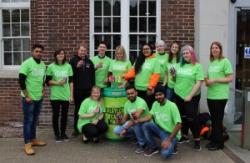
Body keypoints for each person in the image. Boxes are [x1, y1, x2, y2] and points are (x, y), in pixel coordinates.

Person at [173, 45, 204, 150]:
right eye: (184, 53)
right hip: (179, 94)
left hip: (192, 96)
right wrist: (173, 76)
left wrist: (190, 96)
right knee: (182, 117)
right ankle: (185, 136)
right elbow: (174, 80)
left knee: (191, 117)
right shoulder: (177, 66)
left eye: (188, 53)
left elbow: (199, 82)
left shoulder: (197, 66)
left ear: (192, 54)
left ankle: (197, 139)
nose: (186, 54)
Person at [139, 85, 182, 158]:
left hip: (170, 134)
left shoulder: (172, 106)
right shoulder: (155, 104)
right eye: (156, 95)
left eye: (160, 94)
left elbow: (179, 124)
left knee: (165, 154)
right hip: (160, 130)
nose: (158, 97)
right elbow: (149, 116)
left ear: (164, 94)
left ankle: (173, 144)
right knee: (145, 125)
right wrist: (138, 120)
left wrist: (169, 140)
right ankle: (153, 147)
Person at [19, 44, 46, 155]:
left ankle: (33, 139)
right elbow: (21, 80)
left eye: (40, 51)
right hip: (28, 98)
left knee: (34, 120)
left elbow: (43, 80)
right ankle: (27, 144)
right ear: (32, 52)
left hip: (38, 97)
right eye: (36, 51)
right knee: (28, 120)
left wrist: (43, 90)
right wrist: (26, 96)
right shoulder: (26, 63)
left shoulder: (43, 65)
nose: (39, 53)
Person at [205, 41, 233, 150]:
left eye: (216, 48)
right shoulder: (211, 62)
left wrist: (215, 80)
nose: (214, 50)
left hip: (220, 96)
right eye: (212, 48)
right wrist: (207, 81)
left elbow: (230, 78)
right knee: (214, 120)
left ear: (220, 49)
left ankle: (219, 143)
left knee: (218, 120)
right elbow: (208, 78)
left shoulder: (225, 61)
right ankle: (214, 140)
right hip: (211, 95)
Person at [46, 49, 73, 142]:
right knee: (56, 115)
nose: (61, 55)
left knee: (64, 115)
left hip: (66, 95)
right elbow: (47, 82)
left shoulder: (68, 66)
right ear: (55, 56)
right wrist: (58, 83)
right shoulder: (51, 67)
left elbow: (71, 82)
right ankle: (57, 134)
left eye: (62, 53)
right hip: (55, 96)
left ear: (64, 55)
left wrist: (71, 95)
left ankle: (63, 133)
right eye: (59, 54)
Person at [113, 85, 149, 153]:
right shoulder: (127, 104)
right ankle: (136, 137)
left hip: (145, 124)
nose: (130, 95)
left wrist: (125, 129)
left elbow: (136, 118)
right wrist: (118, 118)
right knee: (116, 130)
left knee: (135, 124)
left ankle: (143, 145)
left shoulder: (141, 102)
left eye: (132, 93)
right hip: (134, 123)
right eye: (128, 94)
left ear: (136, 93)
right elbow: (124, 120)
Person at [69, 44, 95, 136]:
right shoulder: (72, 61)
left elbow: (92, 76)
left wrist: (92, 88)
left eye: (84, 50)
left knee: (88, 110)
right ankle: (76, 129)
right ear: (78, 51)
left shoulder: (89, 62)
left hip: (88, 90)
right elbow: (70, 76)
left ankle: (86, 127)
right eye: (81, 50)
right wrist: (76, 67)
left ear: (86, 52)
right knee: (78, 110)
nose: (82, 52)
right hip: (78, 90)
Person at [124, 43, 160, 109]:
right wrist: (124, 76)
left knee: (146, 108)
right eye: (144, 49)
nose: (145, 50)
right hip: (137, 90)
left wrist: (150, 87)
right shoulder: (139, 60)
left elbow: (155, 76)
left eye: (147, 49)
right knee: (137, 108)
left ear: (151, 50)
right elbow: (132, 72)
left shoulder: (155, 60)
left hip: (147, 90)